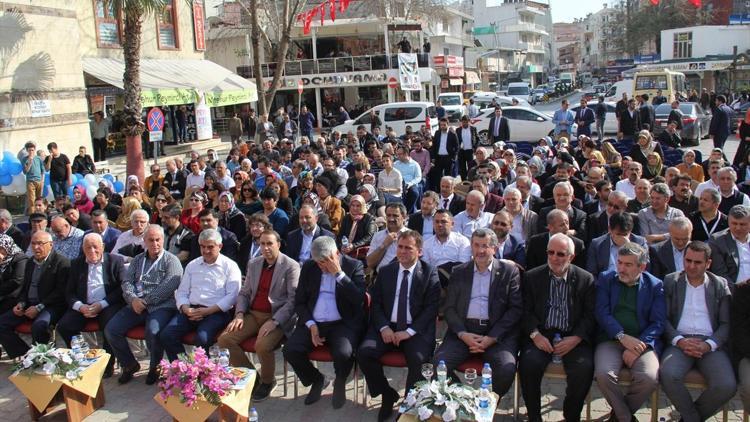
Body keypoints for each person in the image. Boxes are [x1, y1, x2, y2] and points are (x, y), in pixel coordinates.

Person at [357, 231, 440, 421]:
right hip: (387, 326)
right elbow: (375, 303)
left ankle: (407, 406)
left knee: (418, 359)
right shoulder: (387, 271)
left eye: (408, 248)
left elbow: (431, 308)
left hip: (415, 329)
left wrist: (409, 332)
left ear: (419, 251)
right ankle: (387, 393)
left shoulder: (429, 272)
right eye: (400, 247)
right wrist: (384, 327)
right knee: (364, 353)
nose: (402, 252)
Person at [433, 228, 522, 397]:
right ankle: (462, 398)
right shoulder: (459, 272)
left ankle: (487, 402)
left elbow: (515, 309)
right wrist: (462, 334)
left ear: (494, 249)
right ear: (471, 247)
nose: (480, 251)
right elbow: (449, 308)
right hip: (464, 331)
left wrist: (492, 337)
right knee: (439, 365)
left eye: (485, 246)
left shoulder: (508, 272)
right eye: (476, 245)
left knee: (506, 369)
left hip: (496, 334)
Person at [519, 233, 596, 422]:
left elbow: (590, 315)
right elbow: (524, 311)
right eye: (550, 252)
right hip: (542, 333)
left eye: (560, 254)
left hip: (573, 336)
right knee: (528, 365)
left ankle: (571, 415)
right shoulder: (532, 277)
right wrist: (535, 335)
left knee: (583, 368)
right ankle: (534, 417)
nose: (554, 258)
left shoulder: (586, 279)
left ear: (571, 256)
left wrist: (576, 338)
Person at [283, 236, 366, 408]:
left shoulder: (353, 266)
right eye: (318, 263)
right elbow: (300, 301)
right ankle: (317, 379)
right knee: (290, 350)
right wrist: (311, 324)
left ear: (336, 254)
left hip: (341, 323)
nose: (322, 267)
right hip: (314, 321)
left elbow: (359, 300)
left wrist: (339, 274)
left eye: (325, 262)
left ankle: (340, 381)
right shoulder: (309, 267)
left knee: (344, 353)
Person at [217, 229, 300, 401]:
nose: (266, 247)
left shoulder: (291, 266)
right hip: (253, 314)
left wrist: (275, 321)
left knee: (261, 345)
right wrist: (239, 314)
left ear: (278, 244)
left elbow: (293, 301)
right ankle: (252, 377)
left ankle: (268, 381)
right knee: (224, 339)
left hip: (276, 316)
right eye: (262, 244)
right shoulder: (254, 263)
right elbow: (244, 293)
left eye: (270, 243)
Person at [660, 241, 736, 422]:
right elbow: (662, 319)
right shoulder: (671, 281)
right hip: (679, 342)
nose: (691, 266)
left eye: (697, 262)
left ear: (708, 263)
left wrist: (708, 345)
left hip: (709, 343)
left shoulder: (719, 285)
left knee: (726, 385)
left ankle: (688, 418)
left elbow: (726, 324)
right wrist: (679, 340)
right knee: (669, 375)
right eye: (688, 260)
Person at [594, 242, 665, 422]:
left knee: (649, 377)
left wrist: (638, 347)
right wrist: (621, 336)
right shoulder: (606, 279)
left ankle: (617, 416)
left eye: (628, 264)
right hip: (610, 339)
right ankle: (625, 417)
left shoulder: (654, 285)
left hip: (641, 342)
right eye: (619, 263)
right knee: (603, 374)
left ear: (642, 266)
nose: (621, 269)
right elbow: (602, 312)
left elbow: (658, 322)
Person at [104, 225, 182, 384]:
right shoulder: (138, 260)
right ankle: (129, 364)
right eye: (151, 240)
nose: (155, 243)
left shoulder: (171, 260)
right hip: (136, 304)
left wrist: (146, 301)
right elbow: (127, 282)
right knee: (111, 330)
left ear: (163, 240)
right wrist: (133, 299)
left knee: (153, 332)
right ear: (144, 241)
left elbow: (169, 286)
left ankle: (155, 367)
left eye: (158, 240)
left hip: (161, 306)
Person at [161, 228, 240, 360]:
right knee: (167, 334)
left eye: (210, 247)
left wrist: (207, 311)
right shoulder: (193, 265)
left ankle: (203, 373)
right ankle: (184, 367)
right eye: (202, 246)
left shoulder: (230, 266)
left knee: (202, 339)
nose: (206, 251)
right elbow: (182, 291)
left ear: (220, 246)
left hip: (216, 312)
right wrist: (186, 308)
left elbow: (232, 296)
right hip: (191, 310)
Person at [56, 233, 125, 377]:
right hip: (83, 306)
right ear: (83, 248)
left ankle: (108, 364)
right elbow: (69, 292)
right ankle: (82, 357)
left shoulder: (115, 261)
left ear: (103, 247)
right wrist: (80, 306)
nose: (92, 251)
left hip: (107, 305)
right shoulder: (76, 264)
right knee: (64, 326)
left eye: (95, 247)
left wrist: (102, 304)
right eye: (88, 248)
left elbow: (121, 289)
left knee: (109, 326)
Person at [0, 231, 70, 358]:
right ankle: (26, 356)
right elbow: (24, 288)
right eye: (33, 244)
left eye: (40, 244)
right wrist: (21, 304)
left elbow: (60, 292)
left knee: (39, 325)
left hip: (50, 306)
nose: (36, 247)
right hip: (28, 304)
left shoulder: (61, 262)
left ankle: (40, 357)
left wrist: (39, 307)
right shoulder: (31, 262)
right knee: (2, 324)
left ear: (51, 245)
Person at [709, 205, 750, 286]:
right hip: (733, 291)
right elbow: (720, 274)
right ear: (728, 222)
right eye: (734, 223)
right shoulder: (718, 241)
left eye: (742, 224)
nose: (738, 228)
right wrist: (738, 291)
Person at [367, 203, 409, 271]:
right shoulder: (378, 236)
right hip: (381, 277)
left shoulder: (411, 236)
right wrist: (384, 245)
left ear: (404, 217)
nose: (391, 219)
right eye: (388, 215)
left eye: (395, 216)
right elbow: (370, 263)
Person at [0, 234, 28, 314]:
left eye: (1, 248)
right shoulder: (3, 259)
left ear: (8, 247)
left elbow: (16, 281)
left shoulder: (21, 259)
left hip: (14, 295)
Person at [430, 118, 458, 190]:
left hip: (448, 158)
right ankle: (439, 191)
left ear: (447, 125)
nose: (442, 126)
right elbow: (434, 145)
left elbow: (457, 147)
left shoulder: (452, 134)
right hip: (438, 158)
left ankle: (449, 190)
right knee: (438, 176)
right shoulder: (437, 133)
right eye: (441, 125)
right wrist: (433, 157)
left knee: (448, 176)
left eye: (444, 125)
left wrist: (453, 158)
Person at [21, 142, 45, 215]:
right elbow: (25, 171)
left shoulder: (38, 158)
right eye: (29, 150)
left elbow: (42, 170)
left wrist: (42, 180)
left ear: (34, 150)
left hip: (39, 181)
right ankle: (33, 215)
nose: (31, 151)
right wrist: (30, 162)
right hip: (30, 181)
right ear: (27, 151)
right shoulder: (24, 159)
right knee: (32, 200)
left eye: (32, 150)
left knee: (39, 199)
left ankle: (41, 213)